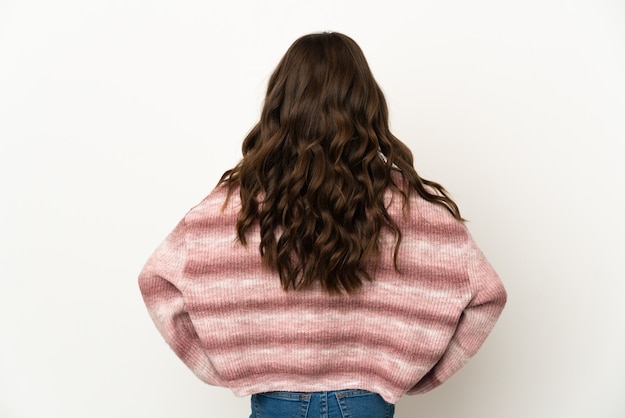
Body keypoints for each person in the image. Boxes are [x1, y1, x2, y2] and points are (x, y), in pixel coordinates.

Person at [138, 31, 507, 418]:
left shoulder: (236, 205)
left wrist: (225, 366)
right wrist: (416, 375)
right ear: (367, 106)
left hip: (273, 403)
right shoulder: (413, 208)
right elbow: (486, 295)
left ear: (280, 105)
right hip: (369, 405)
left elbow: (157, 281)